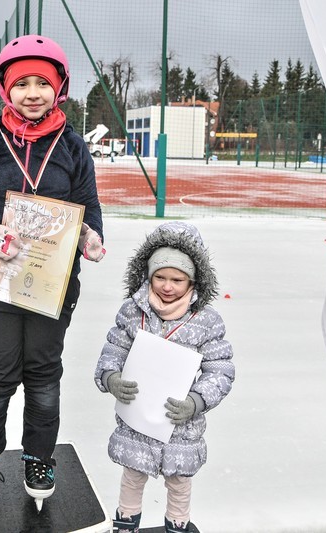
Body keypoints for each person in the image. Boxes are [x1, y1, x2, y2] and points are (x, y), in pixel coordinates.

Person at [0, 34, 105, 514]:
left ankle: (39, 456)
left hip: (53, 285)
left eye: (43, 82)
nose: (32, 92)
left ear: (59, 88)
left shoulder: (73, 146)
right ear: (6, 90)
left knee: (43, 374)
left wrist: (89, 236)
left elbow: (88, 204)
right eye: (22, 84)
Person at [94, 221, 234, 533]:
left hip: (180, 427)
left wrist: (196, 401)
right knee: (132, 477)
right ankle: (125, 525)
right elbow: (114, 349)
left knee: (180, 482)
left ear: (193, 281)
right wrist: (111, 378)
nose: (167, 286)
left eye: (177, 279)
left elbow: (220, 370)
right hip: (138, 421)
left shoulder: (206, 322)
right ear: (148, 275)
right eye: (160, 277)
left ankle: (177, 526)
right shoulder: (133, 311)